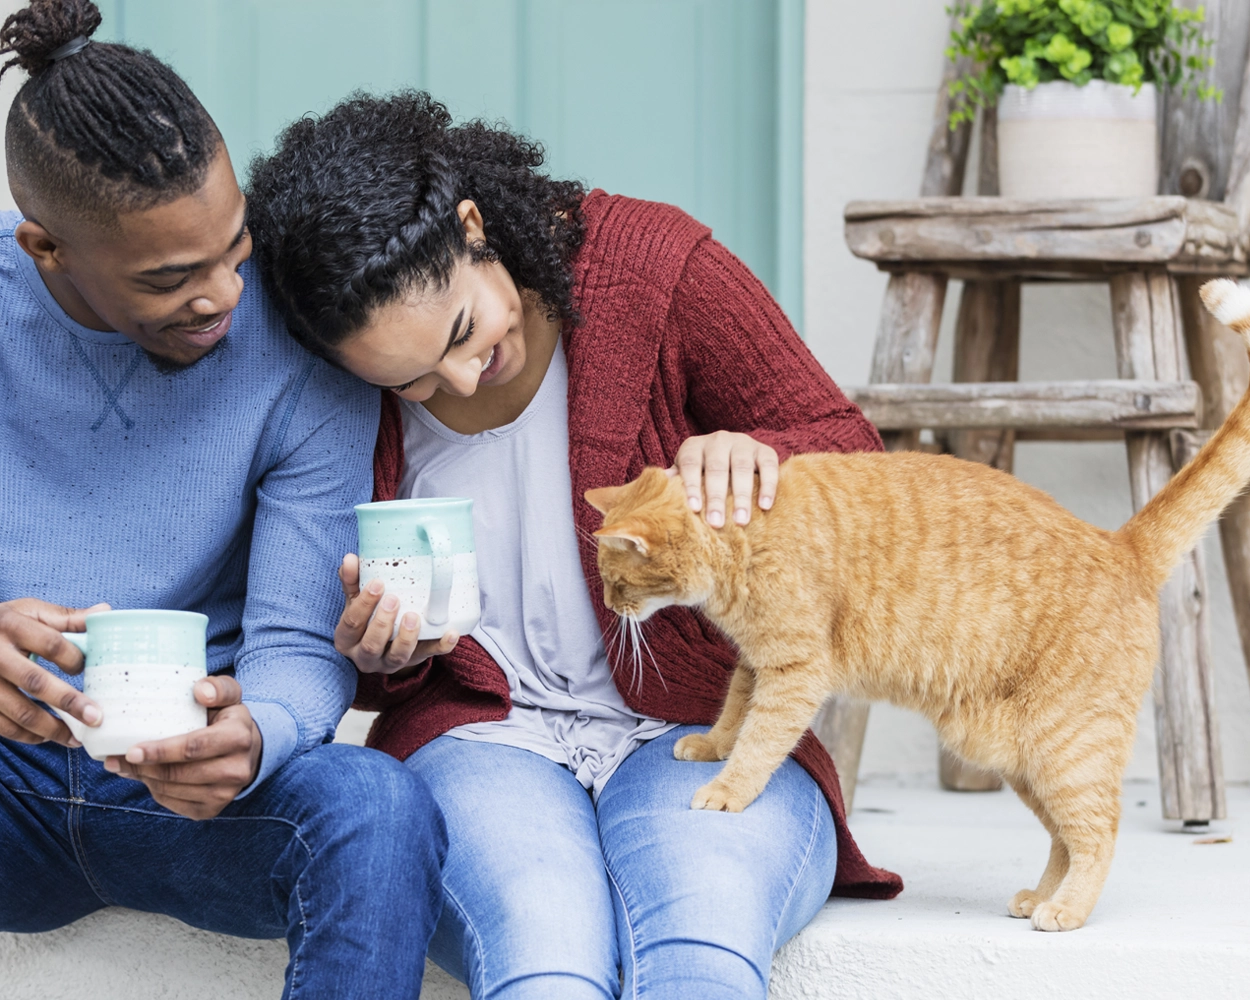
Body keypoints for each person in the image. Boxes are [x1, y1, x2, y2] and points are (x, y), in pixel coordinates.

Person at [0, 6, 444, 1000]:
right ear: (44, 248)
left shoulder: (295, 332)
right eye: (168, 277)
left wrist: (258, 733)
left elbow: (291, 645)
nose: (223, 296)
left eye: (231, 247)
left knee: (377, 804)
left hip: (190, 801)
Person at [247, 91, 903, 1000]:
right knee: (542, 958)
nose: (458, 378)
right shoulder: (342, 395)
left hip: (701, 725)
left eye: (464, 333)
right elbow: (352, 656)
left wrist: (762, 458)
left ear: (473, 228)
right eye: (411, 383)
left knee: (697, 951)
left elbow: (861, 472)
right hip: (484, 741)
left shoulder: (657, 272)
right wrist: (378, 655)